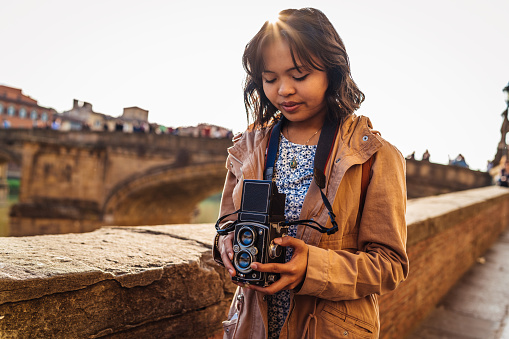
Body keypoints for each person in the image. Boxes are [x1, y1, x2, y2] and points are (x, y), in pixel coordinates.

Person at [213, 8, 408, 338]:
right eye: (270, 79)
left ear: (332, 70)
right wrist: (227, 244)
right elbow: (225, 228)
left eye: (299, 75)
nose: (284, 90)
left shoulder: (375, 156)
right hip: (252, 326)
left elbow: (389, 265)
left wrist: (314, 268)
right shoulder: (247, 148)